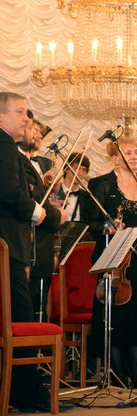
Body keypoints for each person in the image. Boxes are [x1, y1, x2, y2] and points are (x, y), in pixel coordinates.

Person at [0, 91, 63, 412]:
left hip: (9, 245)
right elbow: (10, 192)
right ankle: (26, 394)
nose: (27, 118)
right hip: (8, 247)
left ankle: (15, 391)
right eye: (21, 112)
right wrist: (42, 214)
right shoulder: (4, 144)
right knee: (19, 321)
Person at [81, 136, 137, 388]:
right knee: (115, 314)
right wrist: (108, 227)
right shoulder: (101, 184)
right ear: (115, 158)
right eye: (128, 153)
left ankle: (135, 371)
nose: (134, 156)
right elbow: (89, 222)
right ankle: (114, 370)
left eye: (136, 151)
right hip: (115, 258)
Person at [19, 112, 65, 322]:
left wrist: (53, 190)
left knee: (41, 299)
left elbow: (48, 198)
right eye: (35, 130)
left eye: (41, 133)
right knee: (24, 301)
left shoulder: (45, 162)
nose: (39, 136)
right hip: (28, 238)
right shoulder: (17, 159)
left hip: (44, 241)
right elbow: (28, 197)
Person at [54, 152, 91, 223]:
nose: (80, 173)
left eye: (84, 170)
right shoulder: (53, 191)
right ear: (66, 169)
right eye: (76, 168)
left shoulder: (87, 197)